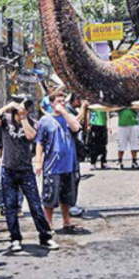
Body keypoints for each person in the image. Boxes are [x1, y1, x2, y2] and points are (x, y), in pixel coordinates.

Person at [0, 96, 57, 252]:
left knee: (35, 205)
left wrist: (23, 117)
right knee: (10, 206)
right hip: (8, 170)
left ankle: (45, 237)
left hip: (26, 171)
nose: (24, 108)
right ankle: (15, 239)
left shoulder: (32, 122)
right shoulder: (5, 119)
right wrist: (8, 106)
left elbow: (30, 136)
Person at [34, 91, 82, 233]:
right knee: (50, 196)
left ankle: (66, 221)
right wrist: (38, 162)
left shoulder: (69, 117)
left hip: (69, 164)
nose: (62, 104)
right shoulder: (45, 120)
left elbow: (76, 127)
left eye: (63, 101)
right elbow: (39, 143)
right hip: (52, 165)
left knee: (66, 196)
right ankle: (49, 223)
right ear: (52, 103)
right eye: (59, 101)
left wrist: (65, 113)